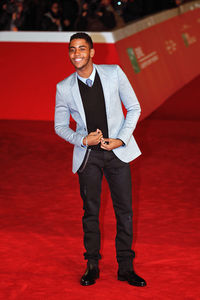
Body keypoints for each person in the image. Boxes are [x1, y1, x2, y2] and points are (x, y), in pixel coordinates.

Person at [54, 32, 146, 287]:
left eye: (82, 48)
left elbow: (134, 107)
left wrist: (121, 139)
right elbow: (60, 127)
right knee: (91, 212)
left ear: (92, 52)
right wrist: (83, 140)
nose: (77, 54)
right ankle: (92, 265)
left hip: (117, 153)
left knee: (124, 211)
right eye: (72, 49)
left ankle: (125, 268)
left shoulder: (114, 73)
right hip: (89, 158)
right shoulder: (64, 88)